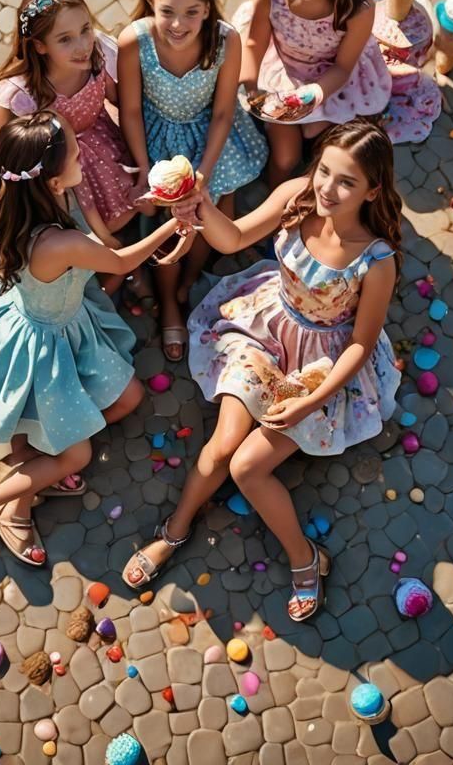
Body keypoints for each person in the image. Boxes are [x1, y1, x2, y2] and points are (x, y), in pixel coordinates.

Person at [123, 120, 402, 622]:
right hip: (267, 330)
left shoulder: (376, 261)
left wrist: (311, 400)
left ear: (373, 190)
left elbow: (361, 344)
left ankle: (306, 559)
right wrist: (198, 201)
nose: (327, 189)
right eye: (325, 172)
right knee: (223, 446)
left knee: (247, 468)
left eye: (347, 183)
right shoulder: (297, 194)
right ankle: (175, 531)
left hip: (323, 366)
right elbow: (232, 240)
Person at [0, 112, 193, 566]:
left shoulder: (22, 201)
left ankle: (32, 467)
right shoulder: (58, 243)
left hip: (55, 321)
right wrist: (175, 222)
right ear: (50, 177)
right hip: (46, 347)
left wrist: (149, 198)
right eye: (73, 153)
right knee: (77, 456)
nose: (80, 156)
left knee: (127, 397)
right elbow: (121, 261)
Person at [117, 0, 267, 361]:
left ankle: (190, 276)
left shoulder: (225, 41)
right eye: (167, 11)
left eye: (192, 11)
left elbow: (222, 112)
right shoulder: (135, 40)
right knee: (165, 217)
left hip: (208, 135)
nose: (178, 24)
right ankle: (169, 299)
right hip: (154, 136)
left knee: (213, 207)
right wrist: (144, 168)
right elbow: (129, 110)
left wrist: (203, 172)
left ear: (207, 8)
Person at [0, 0, 140, 275]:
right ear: (40, 45)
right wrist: (28, 187)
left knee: (127, 202)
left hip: (98, 141)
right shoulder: (24, 93)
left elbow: (117, 97)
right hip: (54, 161)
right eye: (65, 39)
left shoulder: (97, 53)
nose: (83, 45)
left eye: (85, 29)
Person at [232, 0, 439, 185]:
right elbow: (255, 42)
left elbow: (343, 67)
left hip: (331, 80)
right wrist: (251, 84)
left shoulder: (357, 10)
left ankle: (311, 192)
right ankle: (273, 201)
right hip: (281, 71)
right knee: (285, 159)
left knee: (321, 144)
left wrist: (315, 94)